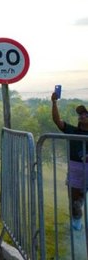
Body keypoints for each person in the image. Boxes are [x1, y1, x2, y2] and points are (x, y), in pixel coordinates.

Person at [51, 88, 88, 231]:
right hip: (76, 171)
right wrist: (54, 102)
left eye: (85, 113)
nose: (82, 115)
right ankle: (76, 228)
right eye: (80, 114)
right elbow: (57, 121)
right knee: (75, 204)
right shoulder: (73, 131)